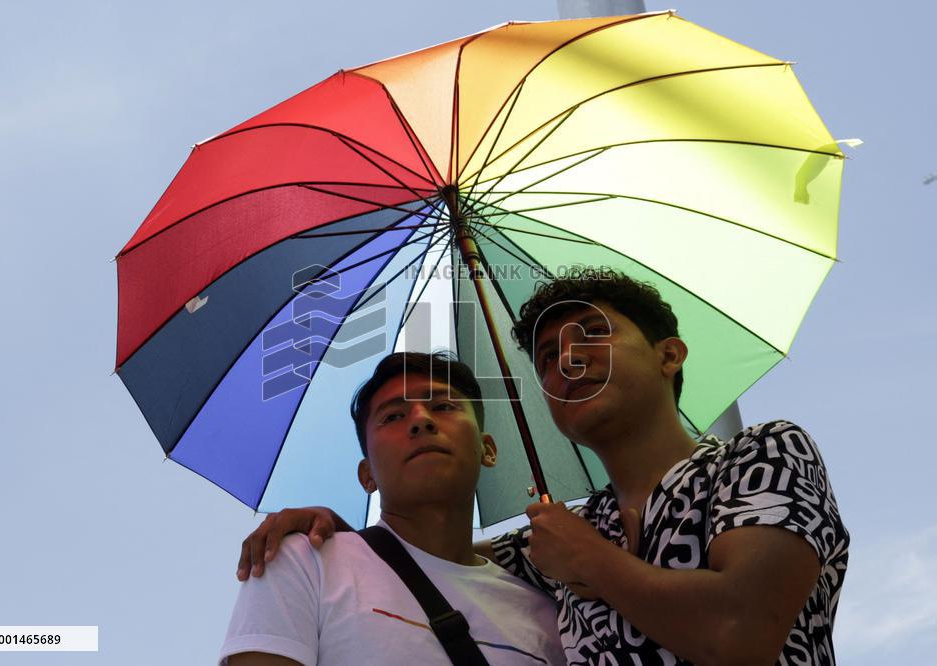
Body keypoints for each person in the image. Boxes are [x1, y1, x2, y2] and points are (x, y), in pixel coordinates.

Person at [237, 269, 849, 665]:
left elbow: (740, 631)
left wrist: (590, 562)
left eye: (592, 334)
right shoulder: (552, 544)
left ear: (669, 354)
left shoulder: (763, 455)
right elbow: (434, 552)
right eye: (548, 356)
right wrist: (336, 535)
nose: (568, 361)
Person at [220, 351, 565, 666]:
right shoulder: (304, 561)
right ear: (367, 474)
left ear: (487, 450)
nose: (421, 421)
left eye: (444, 406)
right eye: (393, 416)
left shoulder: (552, 613)